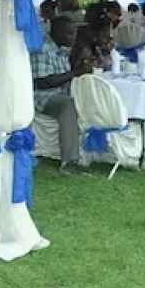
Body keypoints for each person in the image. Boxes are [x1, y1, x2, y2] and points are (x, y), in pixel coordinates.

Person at [31, 16, 90, 173]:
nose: (74, 38)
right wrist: (75, 72)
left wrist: (80, 65)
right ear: (57, 32)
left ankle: (95, 150)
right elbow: (43, 82)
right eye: (70, 34)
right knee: (68, 104)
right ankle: (69, 162)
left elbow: (65, 74)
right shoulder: (42, 49)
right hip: (41, 96)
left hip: (61, 91)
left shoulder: (61, 48)